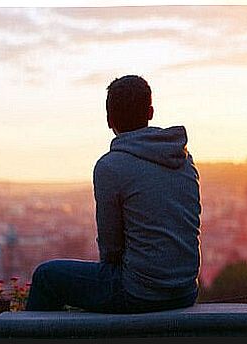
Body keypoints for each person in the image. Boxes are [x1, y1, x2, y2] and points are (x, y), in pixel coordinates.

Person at [25, 75, 202, 313]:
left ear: (109, 120)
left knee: (46, 277)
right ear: (150, 112)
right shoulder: (183, 159)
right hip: (186, 292)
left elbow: (111, 248)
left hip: (140, 293)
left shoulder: (111, 166)